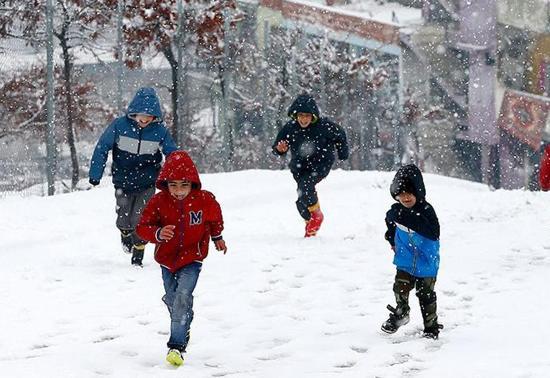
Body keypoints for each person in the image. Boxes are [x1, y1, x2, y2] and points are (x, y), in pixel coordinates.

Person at [135, 150, 227, 367]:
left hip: (192, 257)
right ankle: (183, 317)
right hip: (167, 259)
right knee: (172, 298)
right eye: (173, 185)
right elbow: (143, 227)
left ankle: (176, 346)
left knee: (182, 296)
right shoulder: (158, 201)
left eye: (184, 185)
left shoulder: (204, 200)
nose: (178, 191)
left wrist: (217, 237)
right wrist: (157, 233)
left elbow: (214, 218)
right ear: (165, 184)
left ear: (193, 184)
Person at [89, 87, 177, 267]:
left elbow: (173, 154)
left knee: (141, 218)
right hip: (123, 180)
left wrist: (176, 176)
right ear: (133, 113)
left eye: (149, 117)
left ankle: (139, 250)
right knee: (124, 217)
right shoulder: (119, 126)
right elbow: (102, 147)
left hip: (147, 182)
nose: (144, 120)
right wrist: (95, 174)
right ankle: (125, 233)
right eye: (141, 116)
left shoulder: (160, 131)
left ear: (155, 116)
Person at [272, 93, 349, 237]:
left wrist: (342, 153)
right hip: (299, 167)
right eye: (300, 115)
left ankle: (317, 216)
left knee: (306, 187)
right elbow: (278, 146)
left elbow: (340, 135)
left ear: (313, 116)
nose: (303, 119)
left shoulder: (324, 126)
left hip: (320, 164)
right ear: (295, 116)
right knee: (301, 200)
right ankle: (310, 221)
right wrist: (279, 149)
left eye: (307, 116)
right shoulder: (290, 128)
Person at [381, 164, 443, 339]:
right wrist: (391, 237)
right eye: (401, 194)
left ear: (418, 192)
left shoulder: (426, 211)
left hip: (426, 260)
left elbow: (433, 232)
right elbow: (391, 223)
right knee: (400, 287)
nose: (405, 198)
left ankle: (431, 327)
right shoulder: (395, 211)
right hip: (405, 259)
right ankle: (401, 314)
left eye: (409, 193)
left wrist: (405, 217)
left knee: (426, 295)